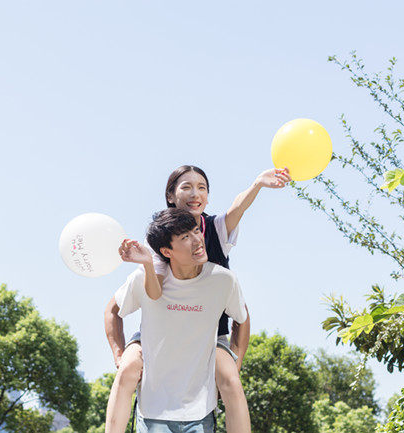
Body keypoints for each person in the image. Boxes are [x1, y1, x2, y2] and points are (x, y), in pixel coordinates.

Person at [104, 165, 291, 433]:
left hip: (211, 335)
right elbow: (153, 293)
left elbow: (238, 208)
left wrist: (257, 185)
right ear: (170, 196)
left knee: (229, 378)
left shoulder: (215, 230)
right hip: (160, 335)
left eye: (202, 187)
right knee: (128, 369)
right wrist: (119, 354)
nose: (195, 193)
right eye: (186, 187)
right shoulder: (160, 237)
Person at [113, 208, 248, 433]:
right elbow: (113, 311)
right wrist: (120, 354)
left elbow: (242, 318)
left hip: (200, 413)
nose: (197, 240)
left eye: (196, 231)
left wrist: (236, 359)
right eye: (185, 237)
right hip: (153, 413)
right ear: (167, 251)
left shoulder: (223, 280)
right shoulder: (143, 279)